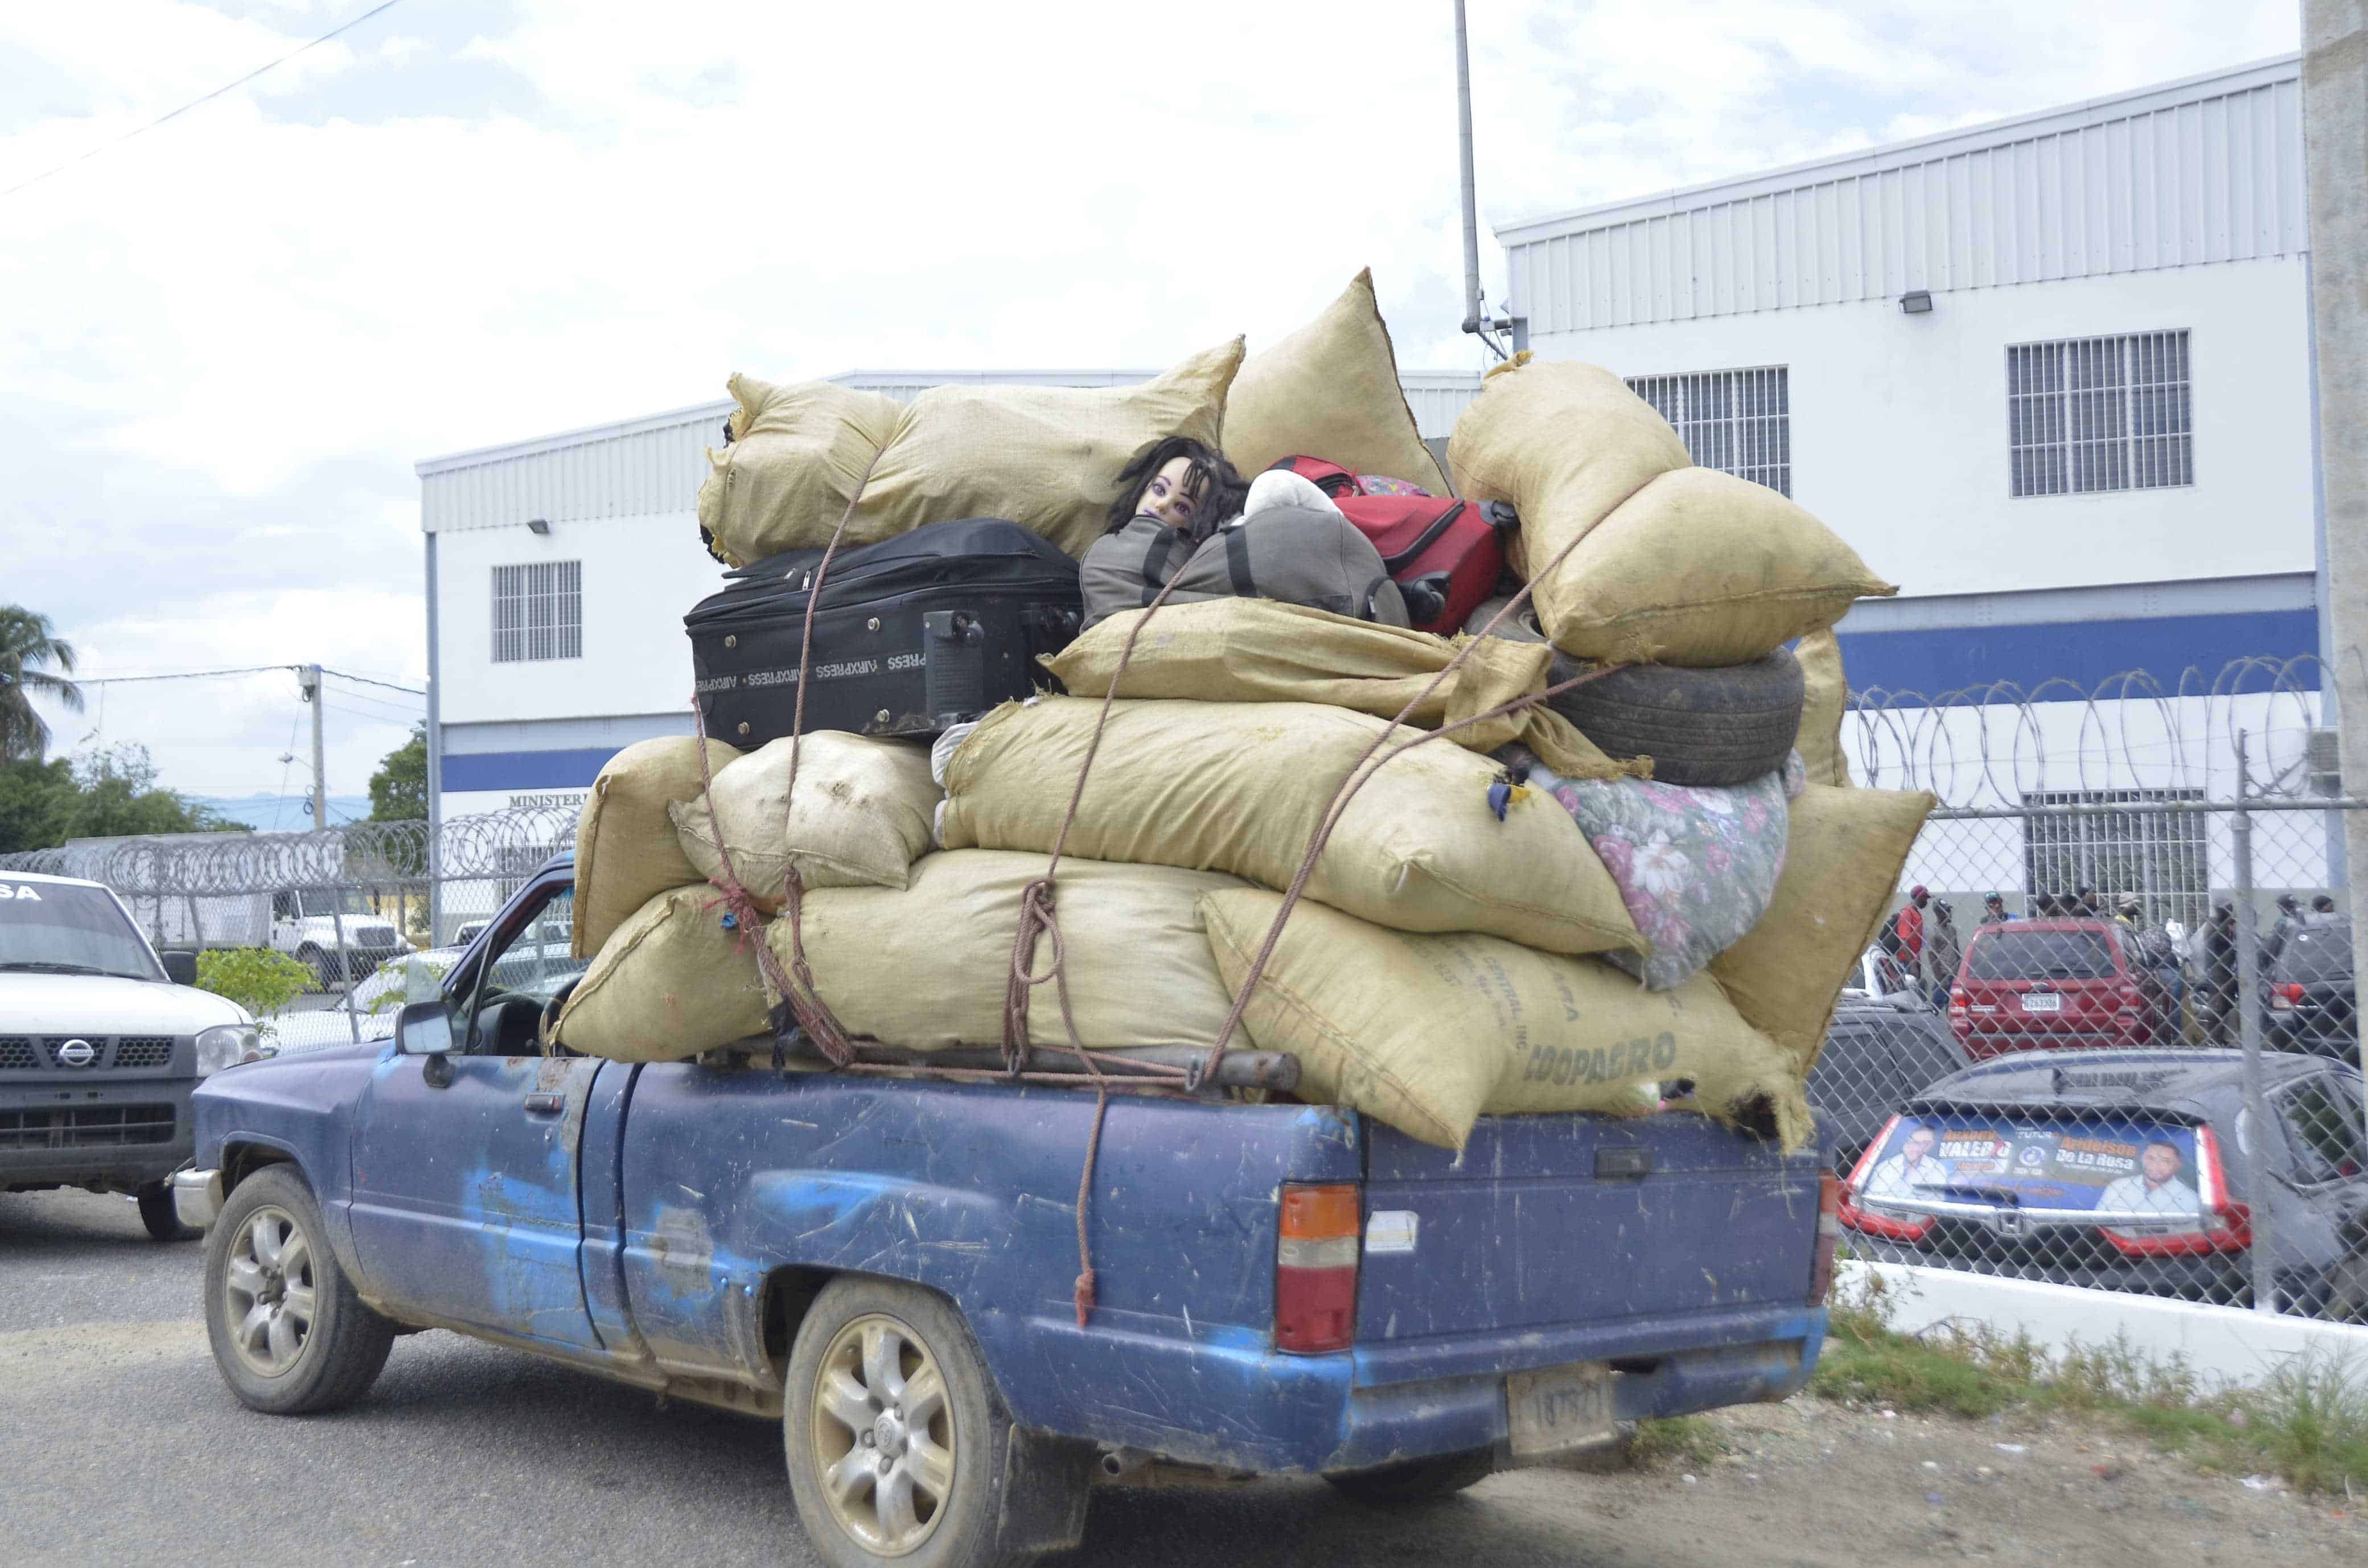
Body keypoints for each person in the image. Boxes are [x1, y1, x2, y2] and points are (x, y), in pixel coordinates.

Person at [2096, 1139, 2201, 1218]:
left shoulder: (2192, 1200)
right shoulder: (2118, 1186)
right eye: (2151, 1158)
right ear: (2142, 1159)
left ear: (2178, 1165)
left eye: (2165, 1161)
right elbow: (2097, 1223)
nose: (2156, 1165)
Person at [1863, 1126, 1944, 1203]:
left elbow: (1936, 1207)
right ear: (1905, 1142)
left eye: (1925, 1143)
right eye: (1913, 1142)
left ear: (1932, 1145)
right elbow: (1870, 1201)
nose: (1917, 1148)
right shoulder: (1884, 1168)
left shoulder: (1937, 1169)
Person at [2203, 902, 2238, 1044]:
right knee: (2218, 1007)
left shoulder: (2224, 925)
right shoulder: (2214, 925)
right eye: (2228, 910)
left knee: (2226, 1007)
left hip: (2227, 972)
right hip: (2217, 973)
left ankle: (2221, 1038)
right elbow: (2216, 940)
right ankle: (2213, 1039)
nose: (2230, 912)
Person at [1926, 899, 1963, 1010]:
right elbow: (1932, 956)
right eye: (1947, 911)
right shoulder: (1933, 932)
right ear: (1939, 913)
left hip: (1955, 974)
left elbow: (1956, 950)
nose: (1949, 914)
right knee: (1935, 1008)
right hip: (1944, 975)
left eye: (1949, 910)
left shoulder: (1952, 930)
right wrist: (1940, 980)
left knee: (1953, 1007)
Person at [1881, 886, 1930, 966]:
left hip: (1913, 959)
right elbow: (1903, 942)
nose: (1926, 902)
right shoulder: (1907, 913)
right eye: (1925, 898)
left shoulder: (1916, 913)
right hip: (1906, 961)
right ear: (1919, 897)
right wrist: (1912, 965)